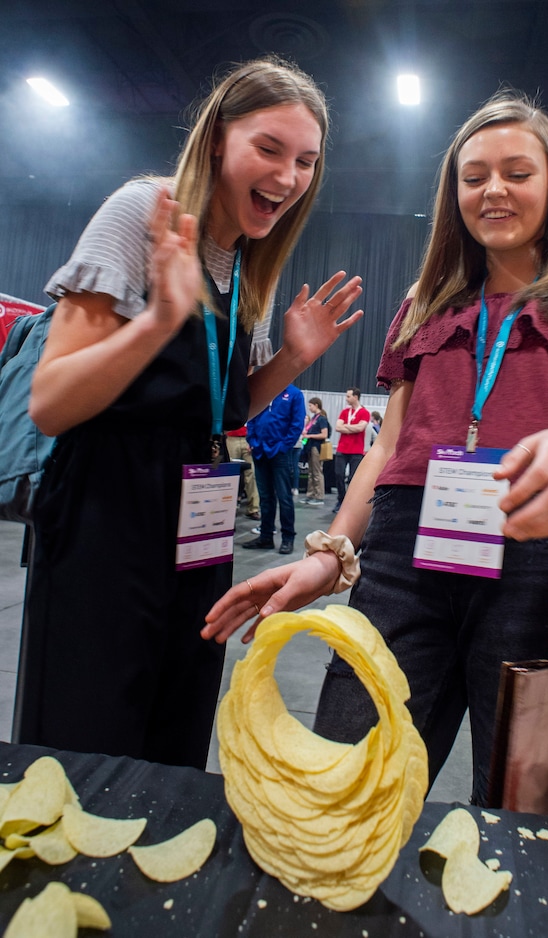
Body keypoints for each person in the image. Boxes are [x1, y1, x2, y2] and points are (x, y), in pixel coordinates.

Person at [203, 89, 548, 804]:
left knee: (525, 800)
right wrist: (327, 556)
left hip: (547, 557)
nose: (494, 191)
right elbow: (387, 446)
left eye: (517, 172)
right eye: (473, 177)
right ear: (454, 193)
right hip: (402, 554)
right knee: (345, 780)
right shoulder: (423, 301)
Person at [20, 56, 363, 769]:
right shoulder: (144, 212)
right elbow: (50, 404)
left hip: (199, 529)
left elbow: (221, 411)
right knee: (87, 741)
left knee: (174, 735)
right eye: (268, 149)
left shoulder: (244, 262)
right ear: (217, 139)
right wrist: (155, 321)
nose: (287, 177)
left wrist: (293, 360)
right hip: (106, 514)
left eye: (304, 161)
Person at [242, 383, 305, 554]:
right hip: (260, 451)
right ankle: (266, 537)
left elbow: (297, 424)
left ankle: (288, 538)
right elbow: (253, 417)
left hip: (280, 454)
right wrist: (253, 441)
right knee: (265, 497)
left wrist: (283, 447)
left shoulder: (294, 394)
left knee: (284, 498)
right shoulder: (265, 390)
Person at [333, 387, 370, 512]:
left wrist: (346, 426)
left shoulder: (364, 412)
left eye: (348, 396)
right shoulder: (344, 412)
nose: (346, 399)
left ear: (356, 397)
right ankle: (341, 500)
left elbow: (361, 428)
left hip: (357, 450)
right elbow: (337, 427)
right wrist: (352, 427)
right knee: (339, 474)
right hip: (342, 448)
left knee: (353, 478)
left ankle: (351, 503)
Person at [226, 426, 260, 519]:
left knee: (251, 474)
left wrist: (253, 440)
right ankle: (229, 508)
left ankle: (253, 508)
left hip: (247, 438)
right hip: (230, 437)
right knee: (231, 474)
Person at [302, 397, 330, 505]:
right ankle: (310, 494)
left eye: (310, 405)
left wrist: (309, 436)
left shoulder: (322, 419)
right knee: (311, 472)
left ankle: (319, 496)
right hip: (310, 447)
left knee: (317, 472)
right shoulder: (314, 418)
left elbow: (324, 434)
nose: (309, 408)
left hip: (317, 447)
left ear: (316, 405)